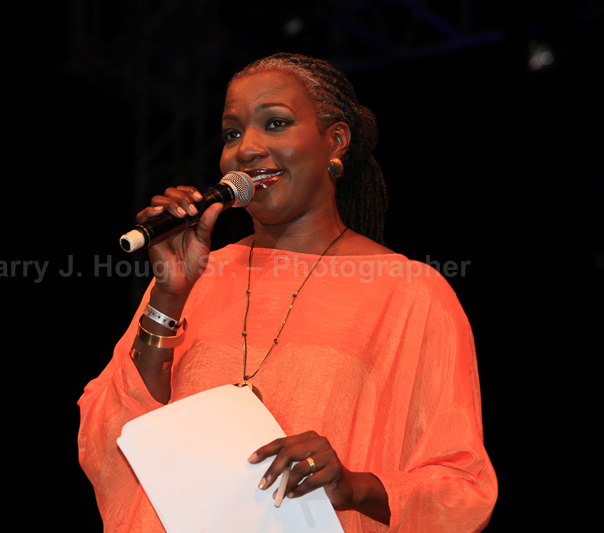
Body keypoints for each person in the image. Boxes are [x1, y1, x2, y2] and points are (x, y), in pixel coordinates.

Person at [78, 53, 497, 532]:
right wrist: (168, 295)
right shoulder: (197, 276)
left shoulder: (409, 294)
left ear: (335, 141)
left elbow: (460, 489)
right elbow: (113, 435)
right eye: (231, 133)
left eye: (275, 123)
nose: (246, 149)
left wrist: (351, 485)